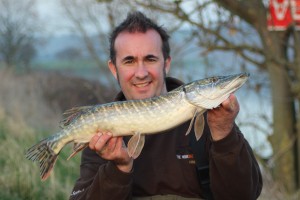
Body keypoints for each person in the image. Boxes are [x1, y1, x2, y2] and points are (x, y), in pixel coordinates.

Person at [69, 11, 262, 200]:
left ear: (166, 64)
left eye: (150, 59)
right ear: (114, 69)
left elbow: (245, 195)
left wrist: (224, 135)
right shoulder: (101, 134)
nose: (141, 72)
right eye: (129, 61)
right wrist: (118, 169)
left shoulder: (213, 119)